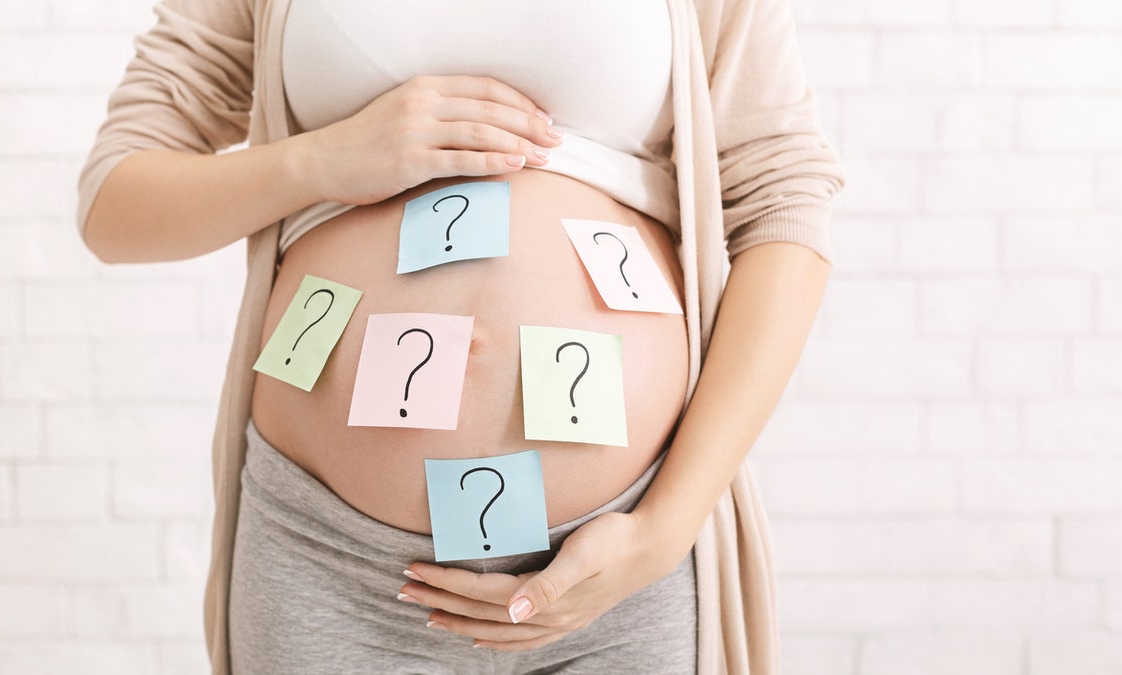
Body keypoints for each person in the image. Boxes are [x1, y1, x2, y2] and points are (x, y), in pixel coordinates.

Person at [76, 0, 845, 672]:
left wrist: (665, 529)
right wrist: (320, 159)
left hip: (619, 554)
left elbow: (784, 204)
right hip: (326, 556)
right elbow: (115, 202)